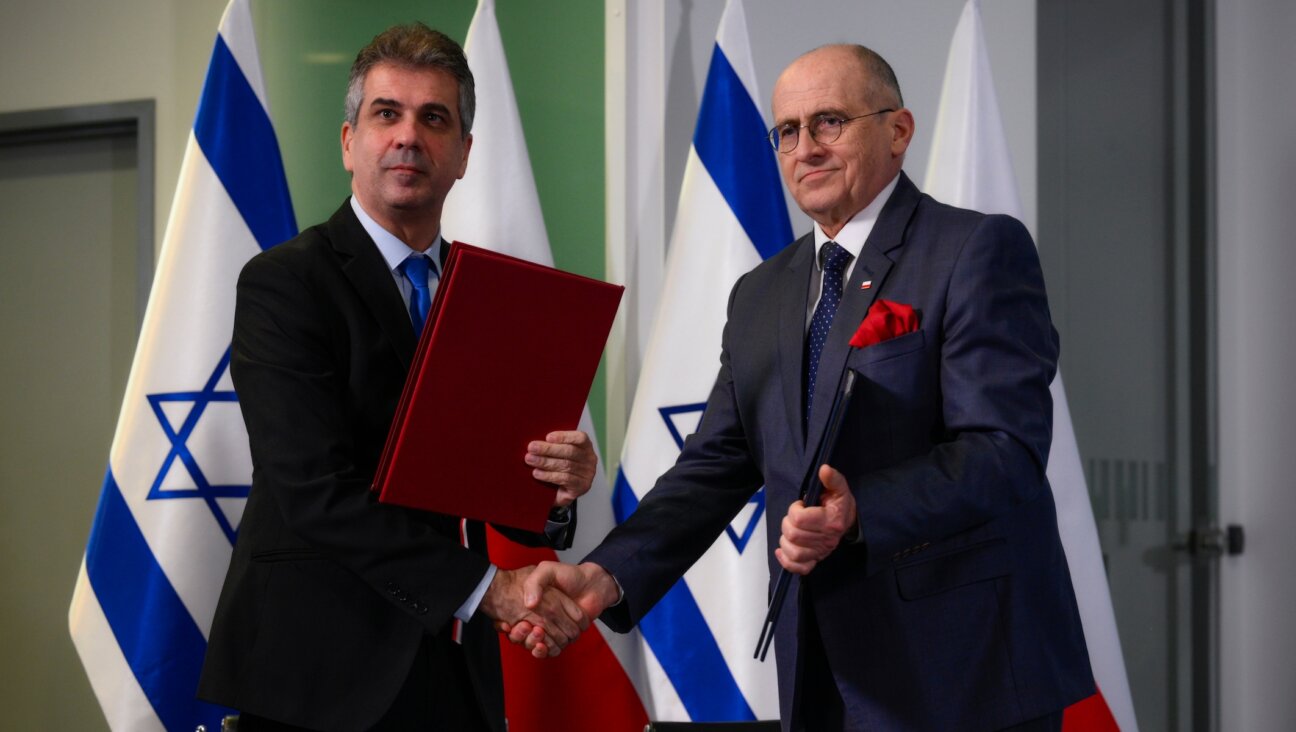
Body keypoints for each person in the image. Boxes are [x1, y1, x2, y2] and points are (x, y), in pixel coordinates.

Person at [512, 44, 1095, 731]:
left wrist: (860, 511)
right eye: (787, 131)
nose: (805, 148)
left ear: (898, 131)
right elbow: (715, 465)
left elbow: (1004, 451)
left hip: (964, 672)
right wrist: (604, 575)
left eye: (829, 122)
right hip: (820, 669)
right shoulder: (763, 292)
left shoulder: (975, 251)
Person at [198, 23, 593, 732]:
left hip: (454, 679)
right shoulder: (285, 284)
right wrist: (489, 590)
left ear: (465, 154)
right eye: (387, 113)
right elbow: (314, 490)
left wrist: (556, 486)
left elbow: (485, 480)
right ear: (349, 141)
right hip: (317, 678)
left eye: (434, 118)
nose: (409, 136)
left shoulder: (493, 301)